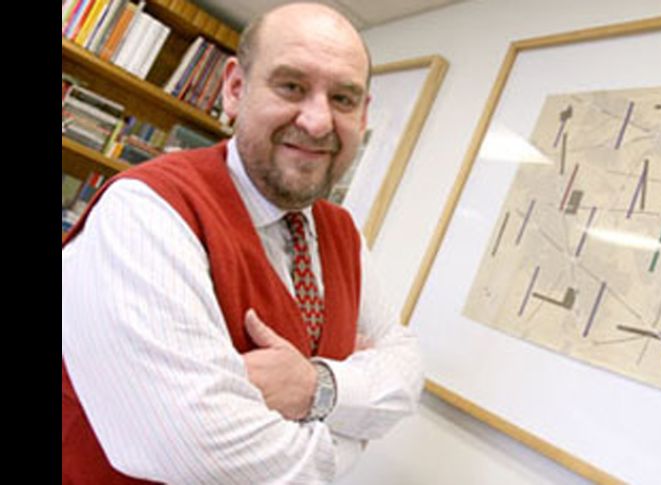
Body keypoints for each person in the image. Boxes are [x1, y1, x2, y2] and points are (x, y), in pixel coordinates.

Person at [61, 3, 424, 483]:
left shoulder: (343, 234)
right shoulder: (144, 211)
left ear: (363, 115)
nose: (318, 122)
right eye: (291, 86)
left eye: (343, 98)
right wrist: (352, 437)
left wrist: (316, 386)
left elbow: (406, 370)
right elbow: (199, 453)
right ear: (235, 89)